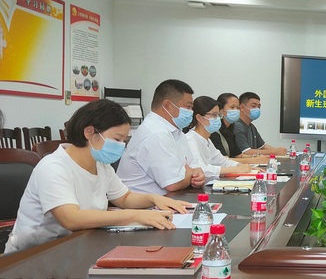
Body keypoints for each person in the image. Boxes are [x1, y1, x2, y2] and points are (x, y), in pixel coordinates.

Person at [4, 100, 189, 255]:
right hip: (33, 255)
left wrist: (154, 199)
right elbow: (72, 218)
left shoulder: (101, 165)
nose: (121, 146)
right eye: (117, 139)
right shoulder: (53, 167)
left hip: (77, 245)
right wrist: (136, 216)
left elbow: (124, 198)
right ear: (89, 132)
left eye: (124, 140)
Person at [117, 79, 206, 194]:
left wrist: (195, 172)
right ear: (167, 105)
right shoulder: (156, 133)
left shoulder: (176, 131)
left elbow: (194, 165)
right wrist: (190, 172)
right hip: (143, 203)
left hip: (169, 198)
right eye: (188, 107)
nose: (191, 112)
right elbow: (173, 184)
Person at [184, 96, 251, 180]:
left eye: (219, 115)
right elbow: (200, 169)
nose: (218, 119)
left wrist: (243, 166)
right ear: (199, 118)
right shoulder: (190, 139)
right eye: (214, 115)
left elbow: (222, 161)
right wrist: (236, 169)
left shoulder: (207, 140)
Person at [232, 92, 287, 157]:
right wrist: (274, 151)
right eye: (253, 106)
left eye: (259, 107)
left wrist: (279, 151)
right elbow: (246, 152)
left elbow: (263, 146)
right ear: (242, 107)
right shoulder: (237, 126)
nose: (257, 109)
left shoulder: (251, 127)